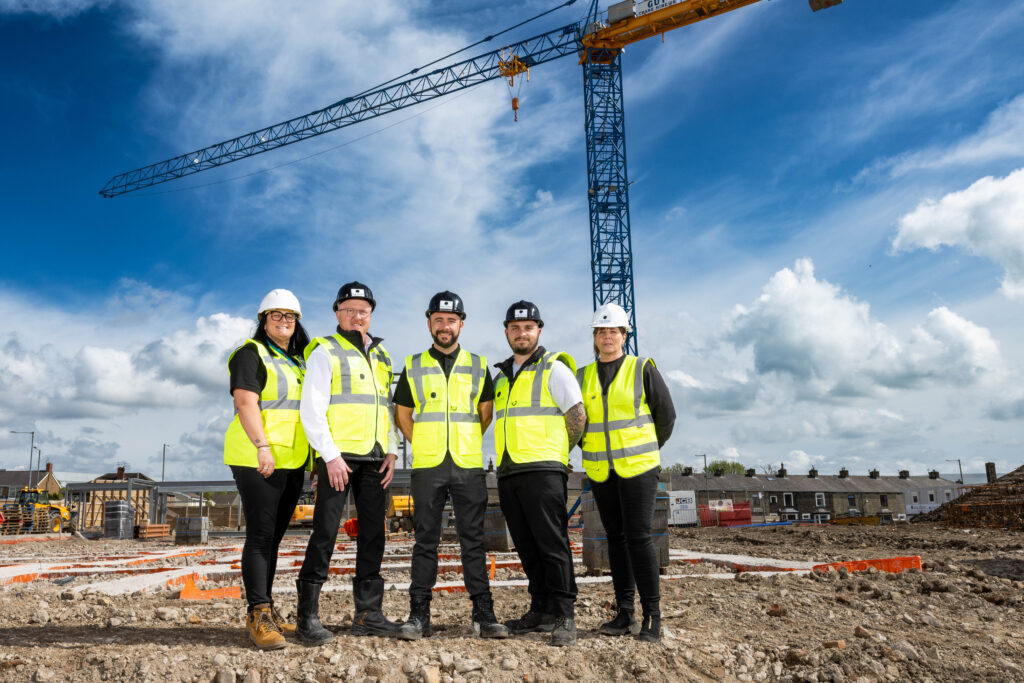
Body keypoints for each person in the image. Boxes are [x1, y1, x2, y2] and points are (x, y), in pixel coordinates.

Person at [392, 291, 508, 640]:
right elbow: (403, 416)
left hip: (468, 465)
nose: (445, 326)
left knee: (473, 540)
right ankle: (418, 616)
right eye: (438, 320)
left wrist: (466, 440)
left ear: (461, 324)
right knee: (424, 541)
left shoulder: (477, 364)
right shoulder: (413, 365)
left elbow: (484, 414)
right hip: (428, 466)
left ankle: (483, 615)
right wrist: (427, 444)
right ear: (429, 322)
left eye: (451, 320)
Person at [294, 281, 401, 645]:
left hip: (374, 458)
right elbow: (312, 409)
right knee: (325, 532)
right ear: (337, 313)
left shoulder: (382, 355)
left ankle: (368, 614)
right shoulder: (325, 350)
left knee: (373, 534)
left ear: (371, 315)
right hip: (338, 458)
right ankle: (307, 617)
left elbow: (385, 407)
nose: (357, 316)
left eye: (364, 311)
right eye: (350, 310)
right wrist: (330, 456)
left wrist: (392, 450)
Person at [576, 302, 676, 642]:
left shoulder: (641, 367)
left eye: (613, 331)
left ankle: (653, 616)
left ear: (624, 335)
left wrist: (646, 448)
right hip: (602, 470)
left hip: (638, 468)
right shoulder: (583, 376)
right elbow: (575, 424)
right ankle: (625, 614)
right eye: (601, 332)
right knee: (614, 540)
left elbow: (666, 415)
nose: (607, 337)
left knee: (639, 537)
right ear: (595, 337)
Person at [493, 300, 586, 647]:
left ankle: (564, 613)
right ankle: (542, 609)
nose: (521, 333)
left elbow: (577, 416)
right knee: (527, 545)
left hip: (544, 470)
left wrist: (559, 455)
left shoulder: (553, 368)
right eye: (515, 328)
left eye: (528, 327)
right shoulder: (501, 377)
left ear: (538, 331)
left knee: (552, 543)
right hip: (509, 471)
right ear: (506, 332)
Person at [223, 288, 311, 650]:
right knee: (260, 536)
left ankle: (267, 609)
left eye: (290, 316)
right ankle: (257, 613)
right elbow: (245, 401)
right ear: (263, 320)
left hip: (291, 460)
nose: (284, 321)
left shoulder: (298, 361)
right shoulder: (250, 353)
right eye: (276, 315)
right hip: (257, 455)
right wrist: (262, 446)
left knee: (273, 538)